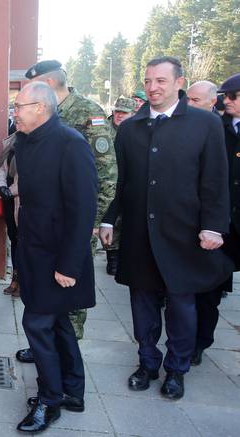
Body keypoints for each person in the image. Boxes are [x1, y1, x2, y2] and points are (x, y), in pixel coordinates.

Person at [99, 57, 233, 400]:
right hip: (141, 235)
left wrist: (214, 227)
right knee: (141, 302)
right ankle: (147, 363)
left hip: (185, 234)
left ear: (179, 82)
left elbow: (215, 182)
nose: (153, 87)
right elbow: (122, 183)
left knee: (181, 304)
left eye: (160, 80)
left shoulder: (204, 124)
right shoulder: (130, 128)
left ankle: (177, 369)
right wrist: (109, 218)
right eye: (148, 81)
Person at [16, 59, 115, 363]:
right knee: (49, 313)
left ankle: (62, 362)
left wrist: (91, 226)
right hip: (44, 232)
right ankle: (48, 353)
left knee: (68, 308)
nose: (16, 110)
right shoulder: (30, 129)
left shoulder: (88, 112)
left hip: (74, 229)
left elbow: (105, 175)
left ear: (44, 87)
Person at [13, 81, 97, 434]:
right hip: (33, 251)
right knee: (59, 323)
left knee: (37, 324)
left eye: (19, 106)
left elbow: (83, 209)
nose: (14, 112)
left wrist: (68, 265)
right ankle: (72, 392)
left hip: (58, 258)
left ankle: (50, 400)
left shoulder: (70, 144)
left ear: (41, 108)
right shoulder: (26, 140)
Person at [189, 73, 240, 366]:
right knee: (207, 288)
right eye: (224, 97)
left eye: (232, 96)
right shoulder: (214, 128)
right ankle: (198, 341)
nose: (226, 102)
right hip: (215, 222)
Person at [103, 96, 137, 275]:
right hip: (109, 180)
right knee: (112, 220)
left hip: (129, 179)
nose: (119, 116)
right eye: (117, 112)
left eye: (124, 113)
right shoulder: (103, 129)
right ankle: (112, 258)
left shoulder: (135, 129)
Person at [0, 132, 19, 297]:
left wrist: (10, 191)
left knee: (26, 242)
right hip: (9, 198)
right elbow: (2, 168)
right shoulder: (13, 140)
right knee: (14, 239)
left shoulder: (38, 141)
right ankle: (15, 279)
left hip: (24, 200)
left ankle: (26, 281)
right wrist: (2, 186)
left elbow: (32, 176)